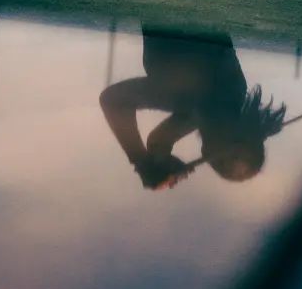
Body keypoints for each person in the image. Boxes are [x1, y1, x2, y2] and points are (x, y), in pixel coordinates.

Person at [99, 27, 287, 190]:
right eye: (236, 150)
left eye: (222, 161)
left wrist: (160, 158)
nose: (227, 151)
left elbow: (160, 139)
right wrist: (142, 162)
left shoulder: (216, 106)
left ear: (206, 156)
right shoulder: (198, 98)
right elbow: (113, 101)